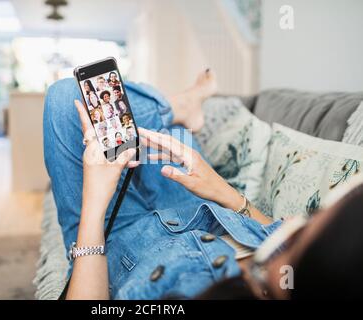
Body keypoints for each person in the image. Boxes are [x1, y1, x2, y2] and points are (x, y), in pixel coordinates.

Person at [44, 69, 363, 300]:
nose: (290, 221)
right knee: (99, 104)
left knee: (65, 98)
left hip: (116, 237)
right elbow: (269, 228)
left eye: (304, 227)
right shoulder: (285, 265)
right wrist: (217, 186)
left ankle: (178, 106)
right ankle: (181, 107)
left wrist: (94, 204)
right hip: (198, 203)